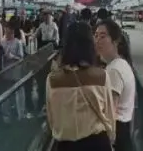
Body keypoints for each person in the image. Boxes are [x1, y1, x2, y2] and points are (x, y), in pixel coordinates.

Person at [46, 21, 115, 151]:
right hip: (98, 143)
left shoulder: (52, 80)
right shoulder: (101, 76)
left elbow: (52, 119)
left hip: (65, 145)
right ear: (90, 46)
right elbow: (110, 116)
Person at [95, 20, 135, 151]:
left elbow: (110, 111)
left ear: (115, 41)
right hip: (122, 131)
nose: (97, 41)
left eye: (103, 36)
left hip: (117, 133)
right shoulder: (120, 64)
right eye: (96, 36)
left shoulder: (114, 70)